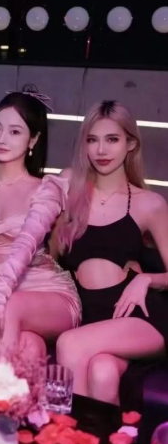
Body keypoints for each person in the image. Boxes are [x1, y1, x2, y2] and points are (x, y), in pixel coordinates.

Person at [55, 101, 168, 405]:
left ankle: (64, 434)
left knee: (70, 344)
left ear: (131, 144)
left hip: (139, 315)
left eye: (112, 139)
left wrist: (146, 280)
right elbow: (49, 254)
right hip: (90, 314)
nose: (101, 150)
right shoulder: (70, 186)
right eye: (92, 140)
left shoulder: (149, 204)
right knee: (102, 371)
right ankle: (107, 437)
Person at [0, 90, 80, 359]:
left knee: (11, 307)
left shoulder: (46, 188)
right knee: (28, 349)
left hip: (49, 296)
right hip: (1, 301)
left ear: (33, 139)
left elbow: (26, 243)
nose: (2, 138)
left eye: (15, 132)